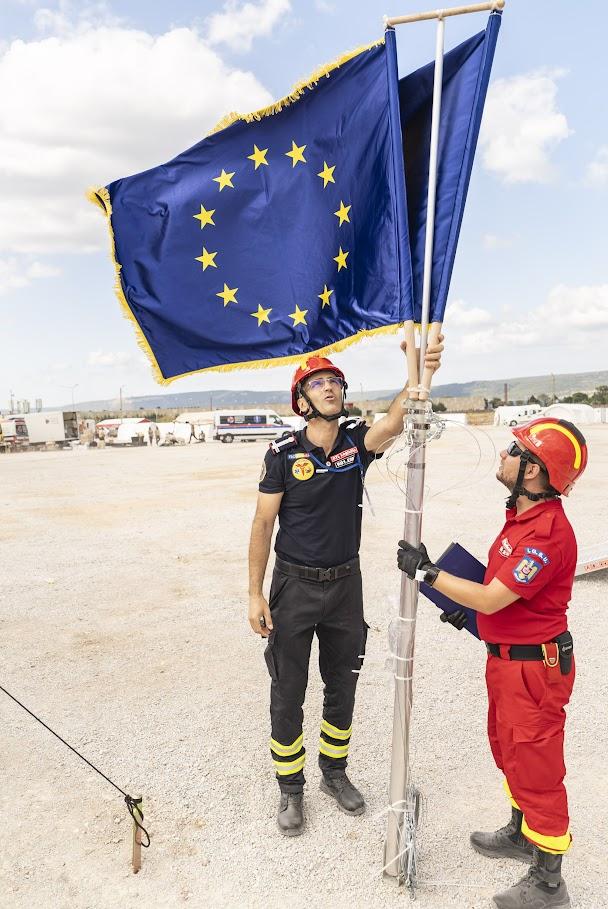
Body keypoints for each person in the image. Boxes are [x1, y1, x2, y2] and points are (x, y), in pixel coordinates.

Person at [248, 336, 444, 836]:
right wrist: (254, 593)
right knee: (288, 689)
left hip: (344, 586)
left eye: (334, 381)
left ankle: (334, 772)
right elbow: (263, 524)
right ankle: (291, 788)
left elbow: (394, 422)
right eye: (318, 383)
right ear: (302, 400)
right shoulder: (282, 454)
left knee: (343, 685)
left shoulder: (356, 443)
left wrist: (417, 371)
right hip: (294, 585)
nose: (329, 388)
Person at [397, 418, 588, 909]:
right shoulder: (520, 517)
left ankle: (549, 884)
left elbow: (493, 598)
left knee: (537, 767)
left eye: (513, 449)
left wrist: (430, 574)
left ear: (533, 471)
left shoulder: (547, 534)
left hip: (534, 670)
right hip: (508, 663)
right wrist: (466, 610)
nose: (503, 454)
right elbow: (498, 598)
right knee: (509, 751)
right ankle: (523, 834)